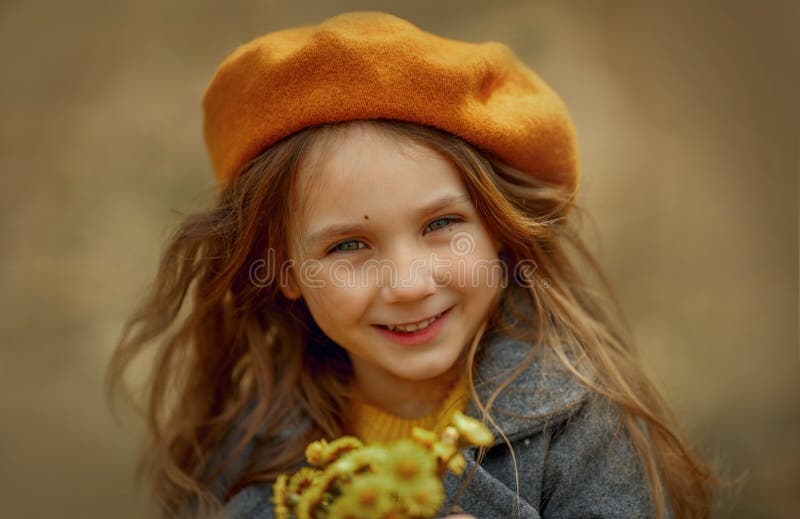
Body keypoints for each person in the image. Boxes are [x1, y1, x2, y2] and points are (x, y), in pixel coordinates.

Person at [107, 11, 716, 519]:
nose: (408, 285)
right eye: (347, 246)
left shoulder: (582, 429)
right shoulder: (241, 458)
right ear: (283, 269)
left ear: (499, 232)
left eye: (441, 225)